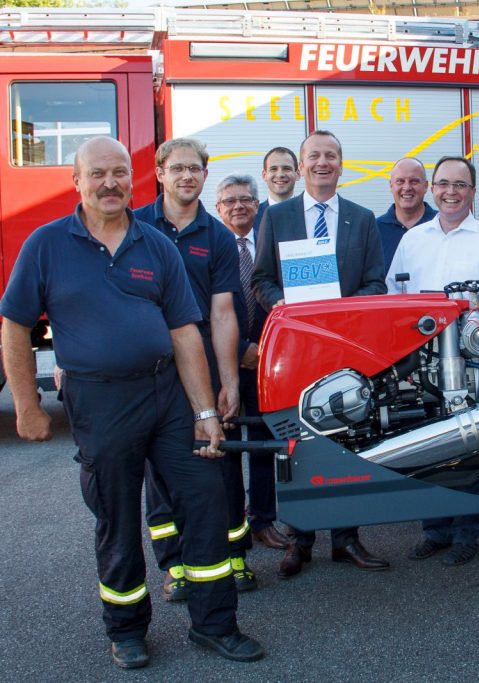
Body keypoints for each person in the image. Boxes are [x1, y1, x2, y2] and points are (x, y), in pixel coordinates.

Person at [0, 136, 265, 669]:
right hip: (100, 400)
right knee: (116, 519)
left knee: (206, 501)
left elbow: (185, 332)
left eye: (119, 172)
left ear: (134, 178)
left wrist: (204, 412)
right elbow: (16, 325)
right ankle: (126, 630)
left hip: (167, 394)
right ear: (77, 182)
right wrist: (26, 406)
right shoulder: (46, 245)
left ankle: (215, 625)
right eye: (97, 174)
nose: (110, 183)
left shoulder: (156, 246)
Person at [252, 129, 390, 578]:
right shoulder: (278, 216)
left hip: (345, 349)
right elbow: (261, 279)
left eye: (331, 155)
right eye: (314, 156)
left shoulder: (361, 218)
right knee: (298, 444)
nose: (322, 163)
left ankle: (346, 539)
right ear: (301, 165)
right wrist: (283, 305)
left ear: (341, 164)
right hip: (296, 350)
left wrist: (342, 315)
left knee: (349, 440)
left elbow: (375, 283)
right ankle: (300, 538)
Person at [133, 138, 258, 596]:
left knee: (221, 459)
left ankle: (234, 557)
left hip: (202, 351)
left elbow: (224, 312)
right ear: (160, 173)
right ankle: (174, 564)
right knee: (161, 464)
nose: (188, 176)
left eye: (196, 169)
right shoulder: (135, 227)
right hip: (150, 361)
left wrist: (229, 382)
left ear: (205, 176)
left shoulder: (218, 237)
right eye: (178, 168)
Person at [387, 155, 479, 566]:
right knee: (426, 446)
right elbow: (392, 301)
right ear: (432, 188)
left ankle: (466, 534)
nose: (450, 192)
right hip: (420, 365)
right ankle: (435, 531)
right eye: (442, 184)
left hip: (471, 363)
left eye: (459, 185)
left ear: (473, 192)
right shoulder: (413, 240)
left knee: (468, 447)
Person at [214, 173, 291, 553]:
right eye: (229, 201)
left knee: (264, 441)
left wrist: (261, 347)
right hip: (224, 361)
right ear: (218, 208)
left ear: (258, 205)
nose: (238, 206)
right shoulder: (212, 245)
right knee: (226, 444)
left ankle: (263, 519)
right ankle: (232, 523)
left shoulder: (270, 239)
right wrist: (239, 347)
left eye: (245, 199)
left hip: (267, 360)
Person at [376, 157, 437, 266]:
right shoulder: (374, 230)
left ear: (426, 186)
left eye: (414, 181)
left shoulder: (442, 224)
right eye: (400, 181)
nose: (407, 187)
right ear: (391, 185)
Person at [255, 146, 299, 230]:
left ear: (298, 174)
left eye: (286, 168)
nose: (280, 175)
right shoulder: (252, 216)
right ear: (264, 175)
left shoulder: (308, 213)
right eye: (273, 169)